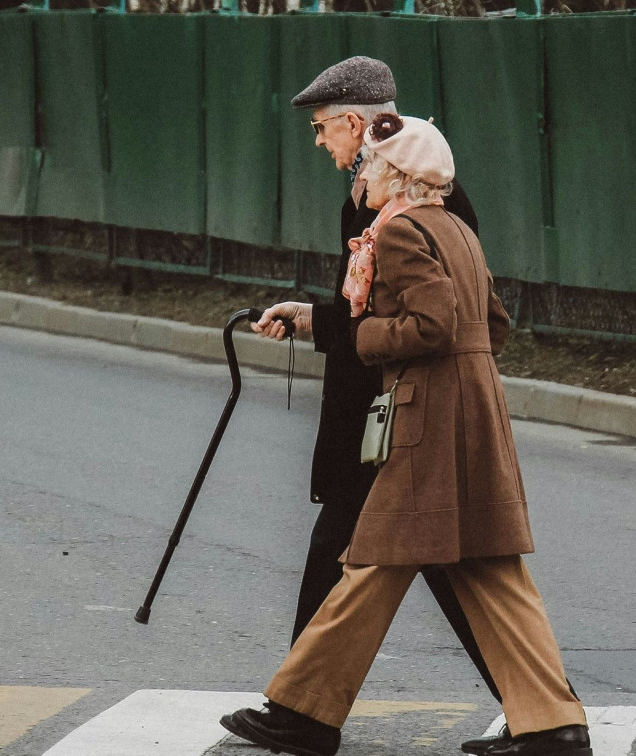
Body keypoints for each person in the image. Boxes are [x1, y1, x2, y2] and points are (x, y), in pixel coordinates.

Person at [221, 114, 591, 756]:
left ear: (395, 173)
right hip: (476, 409)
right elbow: (492, 324)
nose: (360, 174)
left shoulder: (400, 233)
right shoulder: (455, 231)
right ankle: (553, 724)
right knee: (491, 568)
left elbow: (435, 324)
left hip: (426, 417)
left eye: (368, 164)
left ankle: (302, 714)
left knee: (371, 563)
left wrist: (366, 340)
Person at [241, 57, 514, 754]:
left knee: (357, 551)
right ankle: (542, 714)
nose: (320, 141)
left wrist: (327, 325)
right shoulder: (384, 199)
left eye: (323, 127)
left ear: (356, 124)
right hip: (392, 412)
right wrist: (314, 316)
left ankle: (300, 715)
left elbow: (427, 320)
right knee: (441, 567)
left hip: (399, 416)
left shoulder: (402, 207)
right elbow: (368, 310)